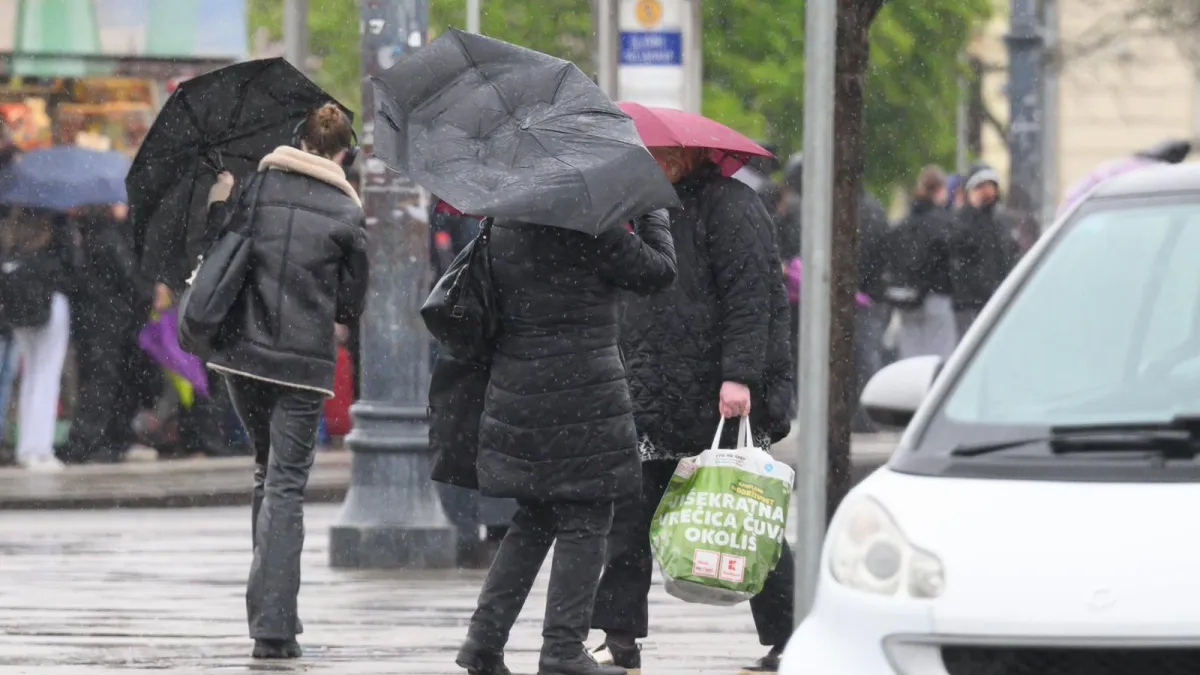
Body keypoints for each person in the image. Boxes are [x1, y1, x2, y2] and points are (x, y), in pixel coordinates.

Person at [591, 147, 795, 675]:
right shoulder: (642, 207)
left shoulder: (732, 205)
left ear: (688, 153)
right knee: (629, 519)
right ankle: (619, 640)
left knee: (747, 518)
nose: (653, 160)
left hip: (714, 393)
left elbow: (751, 297)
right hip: (652, 390)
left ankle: (791, 640)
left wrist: (740, 375)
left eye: (661, 153)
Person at [455, 209, 677, 675]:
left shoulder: (504, 222)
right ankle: (562, 649)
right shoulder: (592, 224)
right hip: (582, 392)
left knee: (534, 516)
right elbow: (658, 272)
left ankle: (483, 641)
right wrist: (652, 213)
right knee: (588, 514)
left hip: (517, 389)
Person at [203, 103, 368, 659]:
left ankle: (269, 612)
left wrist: (221, 198)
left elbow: (219, 249)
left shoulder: (255, 188)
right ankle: (274, 625)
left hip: (244, 358)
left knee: (265, 471)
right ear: (345, 153)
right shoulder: (347, 212)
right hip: (301, 366)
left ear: (298, 140)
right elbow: (351, 305)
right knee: (285, 485)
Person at [61, 203, 152, 464]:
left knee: (99, 380)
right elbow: (129, 276)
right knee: (104, 381)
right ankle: (90, 441)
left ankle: (92, 440)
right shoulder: (108, 234)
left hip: (95, 319)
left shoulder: (84, 234)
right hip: (109, 320)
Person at [0, 206, 72, 472]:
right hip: (49, 302)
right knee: (46, 376)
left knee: (31, 376)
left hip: (21, 307)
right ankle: (38, 447)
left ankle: (27, 447)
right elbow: (70, 266)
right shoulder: (56, 228)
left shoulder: (14, 229)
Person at [885, 166, 958, 360]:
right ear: (940, 189)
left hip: (907, 298)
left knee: (910, 356)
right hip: (937, 297)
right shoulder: (942, 223)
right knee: (940, 358)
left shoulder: (904, 224)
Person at [950, 166, 1018, 337]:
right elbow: (959, 252)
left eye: (990, 186)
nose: (986, 192)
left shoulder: (1001, 220)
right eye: (980, 187)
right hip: (969, 303)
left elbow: (1008, 255)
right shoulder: (961, 220)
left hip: (997, 298)